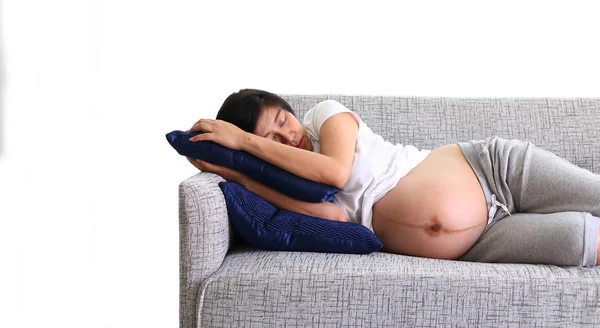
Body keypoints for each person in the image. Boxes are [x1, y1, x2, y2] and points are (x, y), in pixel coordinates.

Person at [186, 89, 600, 267]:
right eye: (270, 139)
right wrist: (237, 174)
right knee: (583, 243)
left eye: (283, 120)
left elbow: (336, 170)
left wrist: (245, 141)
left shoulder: (324, 118)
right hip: (479, 243)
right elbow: (330, 220)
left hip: (494, 171)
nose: (287, 137)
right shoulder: (293, 186)